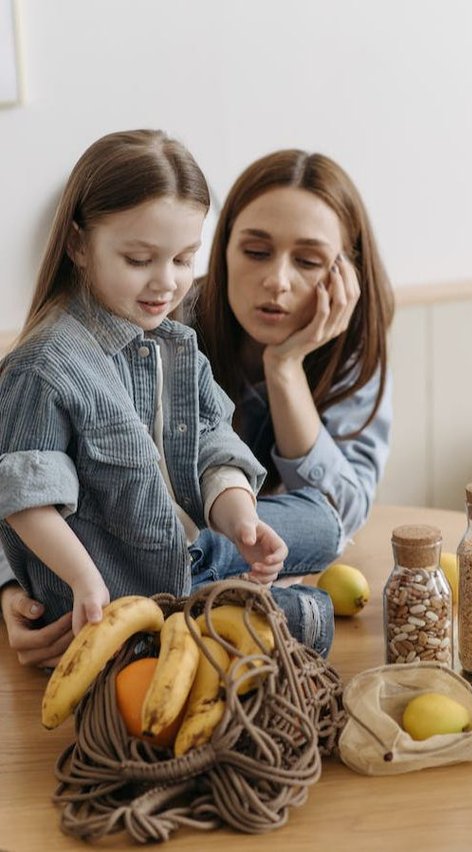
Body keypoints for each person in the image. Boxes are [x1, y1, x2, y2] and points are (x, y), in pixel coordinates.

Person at [1, 144, 394, 664]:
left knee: (317, 575)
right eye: (140, 260)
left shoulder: (173, 342)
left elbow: (215, 443)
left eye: (182, 259)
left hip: (186, 547)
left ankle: (204, 594)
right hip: (112, 575)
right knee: (301, 616)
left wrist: (241, 517)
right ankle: (200, 603)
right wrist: (21, 586)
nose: (166, 280)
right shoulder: (66, 356)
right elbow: (23, 484)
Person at [188, 147, 394, 587]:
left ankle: (187, 556)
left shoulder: (350, 347)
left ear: (345, 273)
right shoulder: (171, 327)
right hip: (158, 525)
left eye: (307, 261)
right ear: (224, 249)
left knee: (320, 524)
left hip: (244, 552)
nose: (277, 281)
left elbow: (338, 515)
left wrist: (285, 366)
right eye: (257, 251)